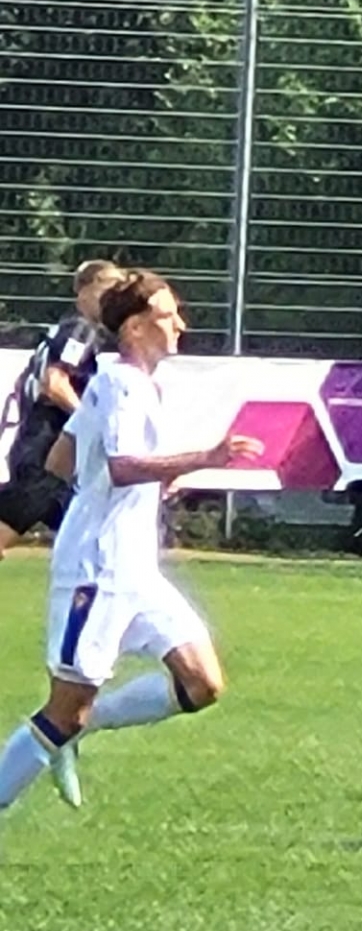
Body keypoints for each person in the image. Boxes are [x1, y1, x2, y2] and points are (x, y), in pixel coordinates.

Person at [0, 271, 261, 818]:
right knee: (64, 711)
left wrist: (141, 481)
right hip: (98, 570)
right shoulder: (122, 385)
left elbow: (61, 459)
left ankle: (77, 732)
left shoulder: (122, 382)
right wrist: (205, 458)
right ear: (137, 327)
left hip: (136, 569)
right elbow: (121, 467)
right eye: (169, 315)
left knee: (202, 683)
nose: (181, 324)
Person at [0, 259, 126, 560]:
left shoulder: (64, 331)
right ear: (87, 288)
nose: (115, 299)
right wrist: (90, 419)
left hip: (46, 450)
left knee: (90, 531)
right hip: (46, 449)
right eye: (110, 288)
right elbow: (54, 383)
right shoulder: (81, 330)